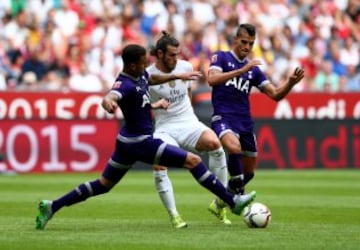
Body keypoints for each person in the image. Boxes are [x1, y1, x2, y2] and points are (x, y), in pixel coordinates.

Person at [35, 44, 256, 230]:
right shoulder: (125, 83)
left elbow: (152, 79)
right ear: (132, 65)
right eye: (142, 63)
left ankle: (52, 206)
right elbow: (112, 95)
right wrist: (108, 102)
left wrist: (176, 77)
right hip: (140, 143)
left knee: (103, 185)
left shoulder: (140, 75)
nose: (145, 67)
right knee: (194, 161)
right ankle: (232, 202)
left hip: (126, 142)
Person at [207, 24, 304, 201]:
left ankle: (222, 201)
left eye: (251, 43)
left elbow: (275, 95)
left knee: (248, 173)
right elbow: (211, 79)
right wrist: (240, 71)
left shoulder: (254, 70)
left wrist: (290, 83)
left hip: (245, 122)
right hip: (223, 117)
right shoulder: (221, 57)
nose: (247, 47)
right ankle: (239, 197)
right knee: (234, 148)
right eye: (244, 42)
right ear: (235, 39)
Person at [147, 31, 230, 229]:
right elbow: (138, 104)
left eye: (177, 54)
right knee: (159, 165)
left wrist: (188, 114)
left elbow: (188, 91)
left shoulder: (186, 66)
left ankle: (220, 203)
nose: (176, 59)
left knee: (215, 144)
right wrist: (156, 105)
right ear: (159, 54)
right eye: (171, 55)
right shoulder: (148, 74)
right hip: (164, 128)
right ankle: (174, 215)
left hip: (188, 122)